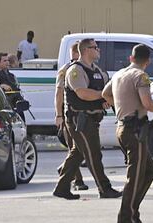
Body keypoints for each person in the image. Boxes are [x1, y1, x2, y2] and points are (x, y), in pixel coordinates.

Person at [103, 44, 153, 223]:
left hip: (124, 127)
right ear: (147, 61)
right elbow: (146, 101)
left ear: (131, 57)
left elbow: (105, 94)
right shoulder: (141, 76)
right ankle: (125, 219)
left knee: (148, 171)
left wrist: (120, 109)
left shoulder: (119, 74)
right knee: (135, 176)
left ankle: (132, 211)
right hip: (134, 130)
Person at [53, 38, 122, 200]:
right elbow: (82, 93)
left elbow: (104, 92)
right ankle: (104, 189)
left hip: (93, 118)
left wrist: (104, 101)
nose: (98, 50)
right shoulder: (75, 70)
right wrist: (102, 96)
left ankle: (62, 188)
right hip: (79, 119)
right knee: (93, 154)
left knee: (78, 153)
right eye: (95, 47)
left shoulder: (97, 70)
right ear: (85, 50)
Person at [54, 42, 88, 191]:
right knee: (75, 148)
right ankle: (77, 180)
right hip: (70, 114)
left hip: (84, 114)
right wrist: (59, 115)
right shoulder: (66, 70)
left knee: (79, 148)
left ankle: (64, 169)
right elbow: (59, 94)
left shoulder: (86, 68)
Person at [0, 52, 25, 121]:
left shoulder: (12, 76)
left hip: (16, 107)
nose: (7, 63)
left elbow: (18, 88)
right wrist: (1, 86)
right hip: (4, 109)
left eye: (8, 60)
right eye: (4, 61)